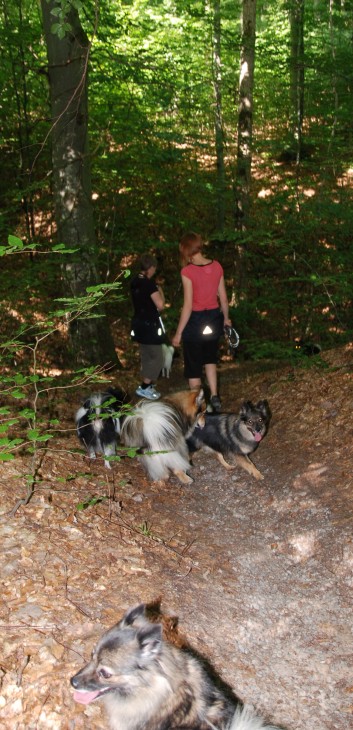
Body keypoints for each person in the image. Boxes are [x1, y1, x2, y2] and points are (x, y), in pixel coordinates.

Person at [171, 232, 231, 412]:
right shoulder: (217, 266)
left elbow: (188, 305)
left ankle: (198, 406)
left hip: (195, 321)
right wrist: (226, 319)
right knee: (210, 359)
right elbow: (224, 298)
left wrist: (179, 333)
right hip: (213, 319)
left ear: (186, 250)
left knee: (193, 366)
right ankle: (214, 395)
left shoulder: (187, 271)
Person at [130, 253, 165, 400]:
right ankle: (144, 387)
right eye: (154, 268)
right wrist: (159, 289)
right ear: (150, 268)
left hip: (138, 323)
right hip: (150, 325)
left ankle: (147, 386)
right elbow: (161, 305)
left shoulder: (134, 281)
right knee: (158, 357)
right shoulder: (149, 284)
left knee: (146, 355)